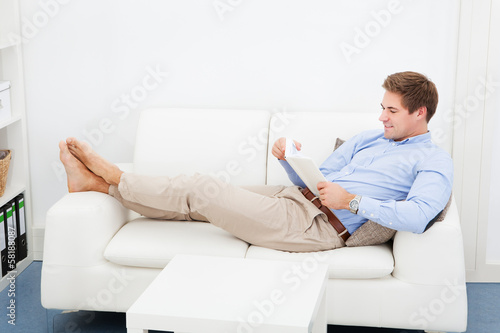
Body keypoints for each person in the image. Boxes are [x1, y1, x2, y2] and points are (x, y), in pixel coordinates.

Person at [59, 71, 452, 252]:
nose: (382, 117)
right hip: (294, 196)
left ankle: (113, 175)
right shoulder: (370, 137)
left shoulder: (433, 161)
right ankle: (95, 185)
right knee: (196, 198)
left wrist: (351, 202)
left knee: (199, 188)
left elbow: (418, 216)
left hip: (315, 226)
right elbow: (324, 177)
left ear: (420, 113)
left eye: (392, 111)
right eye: (382, 108)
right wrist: (291, 160)